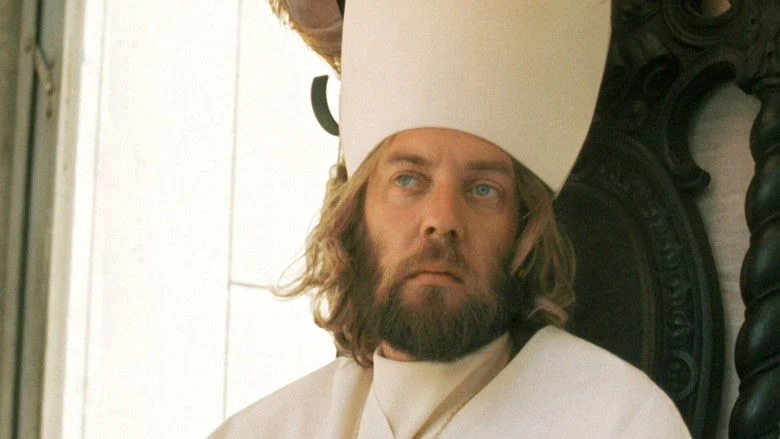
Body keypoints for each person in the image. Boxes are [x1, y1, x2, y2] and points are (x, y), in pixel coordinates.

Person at [210, 0, 692, 437]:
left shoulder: (622, 420)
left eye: (483, 190)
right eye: (408, 180)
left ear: (524, 232)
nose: (442, 219)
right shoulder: (262, 430)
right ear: (352, 218)